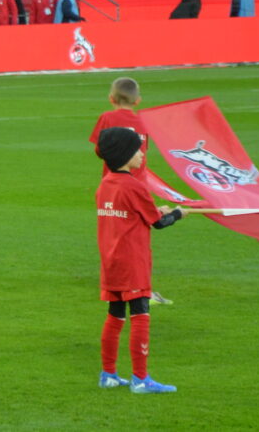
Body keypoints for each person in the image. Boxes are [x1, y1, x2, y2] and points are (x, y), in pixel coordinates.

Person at [94, 126, 183, 393]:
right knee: (140, 313)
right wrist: (177, 214)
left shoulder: (105, 184)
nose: (142, 154)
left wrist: (156, 209)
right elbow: (158, 223)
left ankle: (108, 375)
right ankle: (141, 379)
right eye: (137, 149)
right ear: (125, 154)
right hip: (132, 262)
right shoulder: (135, 186)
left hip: (111, 262)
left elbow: (134, 213)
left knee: (115, 315)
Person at [89, 76, 169, 305]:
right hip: (138, 186)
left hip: (113, 185)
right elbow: (143, 151)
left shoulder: (107, 117)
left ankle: (117, 286)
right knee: (139, 239)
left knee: (112, 235)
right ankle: (142, 289)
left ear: (111, 98)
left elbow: (99, 149)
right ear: (138, 100)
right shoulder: (143, 122)